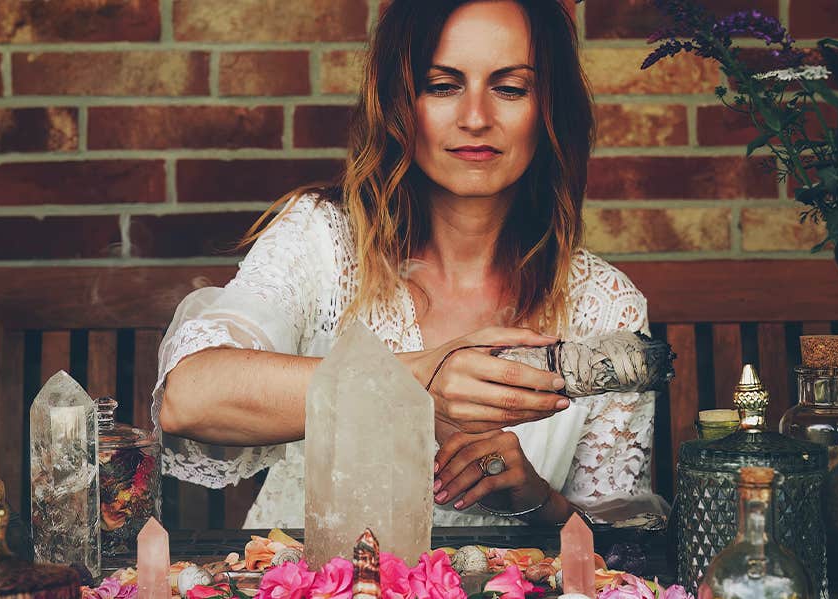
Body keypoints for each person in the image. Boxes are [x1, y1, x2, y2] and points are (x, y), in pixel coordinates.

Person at [154, 0, 667, 528]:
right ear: (401, 102)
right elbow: (189, 397)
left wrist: (537, 499)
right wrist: (421, 378)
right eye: (442, 86)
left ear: (549, 109)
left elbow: (622, 556)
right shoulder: (325, 240)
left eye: (510, 88)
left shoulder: (604, 304)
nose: (475, 118)